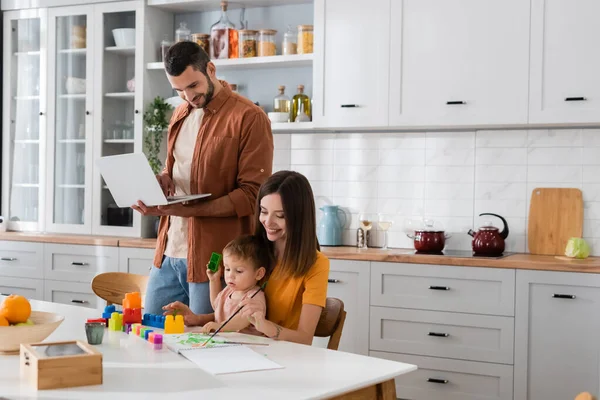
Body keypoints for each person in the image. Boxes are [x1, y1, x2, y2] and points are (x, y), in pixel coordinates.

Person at [132, 41, 274, 316]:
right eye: (179, 90)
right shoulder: (181, 112)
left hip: (215, 258)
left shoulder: (249, 117)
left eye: (193, 86)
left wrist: (187, 209)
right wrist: (162, 180)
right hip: (169, 250)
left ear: (210, 69)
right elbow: (173, 165)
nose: (188, 96)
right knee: (151, 337)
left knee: (206, 346)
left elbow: (252, 195)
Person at [163, 171, 329, 345]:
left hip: (284, 353)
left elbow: (304, 337)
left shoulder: (316, 264)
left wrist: (265, 326)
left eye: (280, 215)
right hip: (245, 347)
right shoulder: (254, 252)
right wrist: (196, 319)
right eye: (264, 212)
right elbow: (236, 314)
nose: (268, 222)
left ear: (299, 218)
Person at [163, 234, 269, 334]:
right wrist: (214, 280)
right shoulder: (230, 290)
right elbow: (216, 305)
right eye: (227, 269)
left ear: (259, 274)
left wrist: (219, 326)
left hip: (249, 346)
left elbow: (242, 320)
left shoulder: (254, 297)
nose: (230, 275)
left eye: (239, 271)